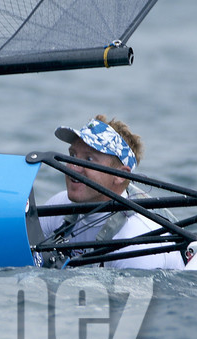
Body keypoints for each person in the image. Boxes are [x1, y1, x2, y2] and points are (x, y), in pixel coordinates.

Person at [34, 115, 183, 269]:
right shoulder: (58, 204)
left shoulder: (138, 240)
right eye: (73, 155)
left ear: (120, 175)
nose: (73, 167)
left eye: (89, 159)